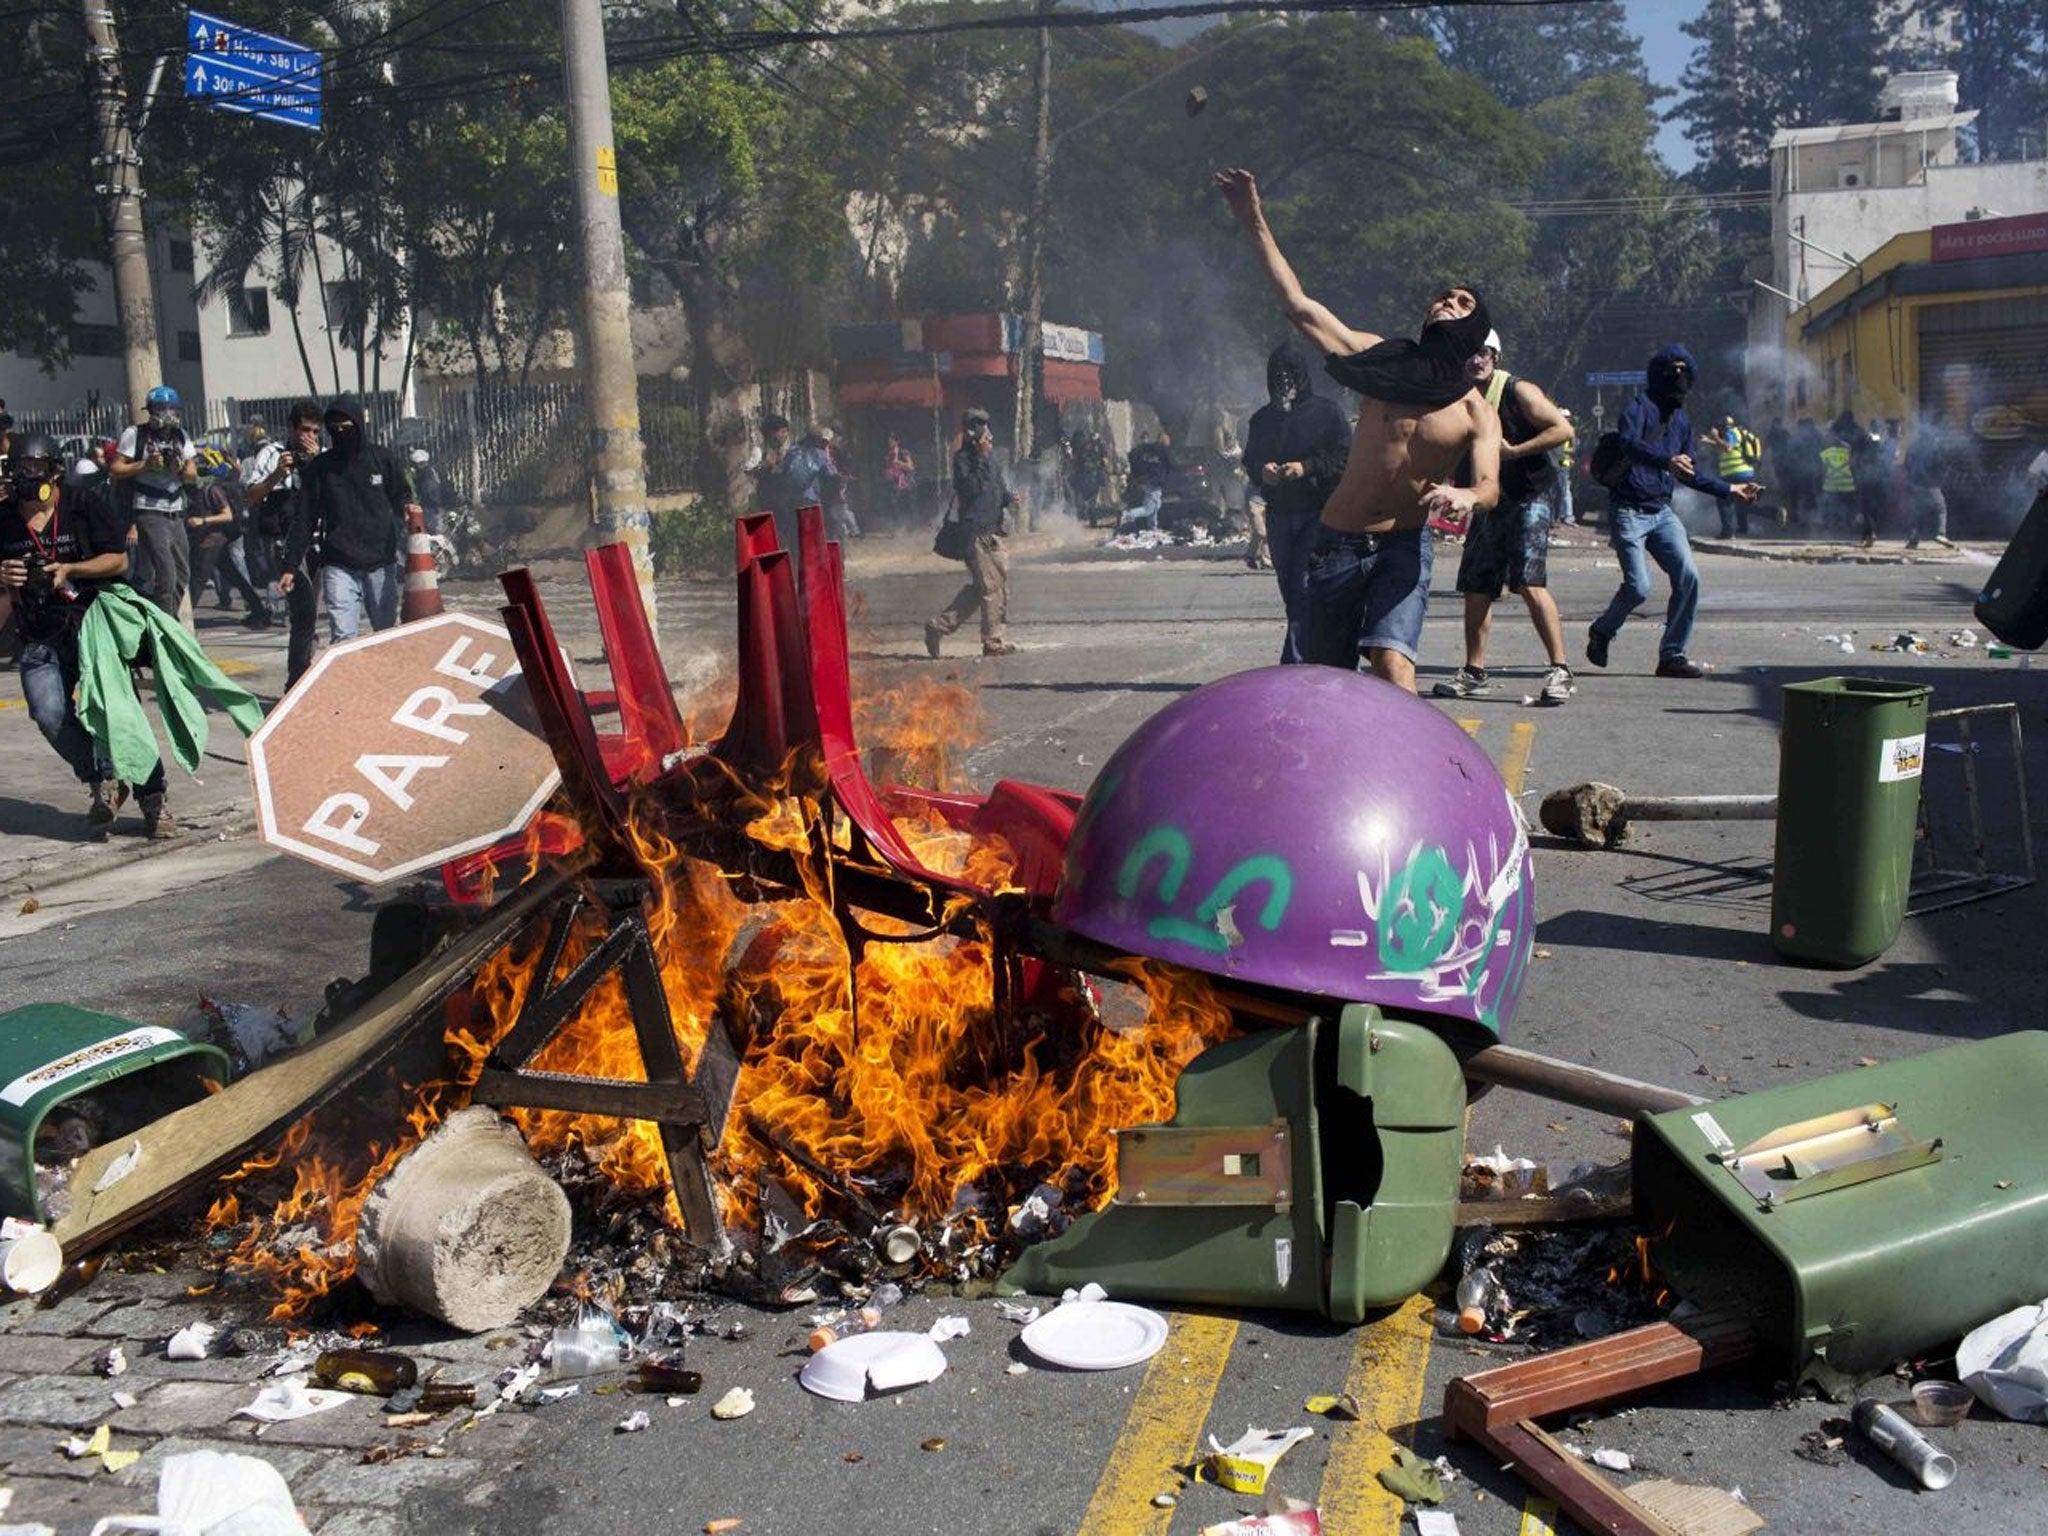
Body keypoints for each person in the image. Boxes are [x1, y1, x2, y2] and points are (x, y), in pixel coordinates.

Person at [1216, 166, 1497, 692]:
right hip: (1339, 541)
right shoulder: (1381, 359)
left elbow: (1490, 486)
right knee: (1327, 683)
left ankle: (1416, 774)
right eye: (1443, 296)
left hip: (1404, 545)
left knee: (1393, 667)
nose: (1446, 303)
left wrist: (1466, 496)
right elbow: (1299, 307)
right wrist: (1251, 216)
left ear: (1476, 330)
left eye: (1462, 303)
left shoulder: (1476, 410)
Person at [0, 432, 171, 836]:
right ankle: (103, 776)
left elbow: (116, 559)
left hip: (92, 623)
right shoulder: (4, 516)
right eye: (19, 470)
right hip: (39, 632)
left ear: (55, 472)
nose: (26, 478)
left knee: (117, 711)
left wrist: (70, 569)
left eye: (35, 470)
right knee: (49, 714)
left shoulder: (82, 503)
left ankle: (153, 796)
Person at [1585, 345, 1758, 679]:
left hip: (1661, 513)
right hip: (1629, 510)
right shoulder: (1639, 407)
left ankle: (1672, 655)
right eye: (1671, 370)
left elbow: (1688, 471)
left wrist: (1731, 489)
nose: (1678, 377)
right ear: (1657, 374)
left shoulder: (1681, 421)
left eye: (1684, 370)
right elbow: (1627, 443)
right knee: (1638, 587)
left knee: (1688, 578)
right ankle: (1602, 631)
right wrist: (1665, 460)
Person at [1435, 332, 1576, 706]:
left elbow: (1563, 430)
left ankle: (1560, 670)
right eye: (1469, 353)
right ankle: (1474, 671)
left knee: (1528, 580)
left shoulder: (1518, 391)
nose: (1475, 360)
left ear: (1495, 356)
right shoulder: (1455, 395)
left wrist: (1515, 451)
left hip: (1530, 493)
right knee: (1478, 585)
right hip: (1486, 498)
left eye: (1482, 353)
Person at [1242, 342, 1349, 663]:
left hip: (1317, 512)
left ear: (1301, 377)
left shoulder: (1326, 413)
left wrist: (1306, 467)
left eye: (1289, 376)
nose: (1283, 383)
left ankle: (1296, 662)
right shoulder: (1262, 420)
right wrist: (1264, 471)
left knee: (1304, 586)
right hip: (1279, 514)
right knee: (1290, 588)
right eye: (1277, 377)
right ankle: (1314, 652)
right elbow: (1251, 460)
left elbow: (1343, 456)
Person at [281, 397, 420, 645]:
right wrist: (291, 565)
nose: (341, 433)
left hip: (381, 561)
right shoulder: (321, 468)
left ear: (358, 425)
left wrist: (407, 507)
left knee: (385, 633)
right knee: (343, 637)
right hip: (339, 564)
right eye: (335, 428)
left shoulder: (382, 459)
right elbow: (305, 518)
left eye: (346, 427)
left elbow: (401, 493)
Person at [925, 408, 1018, 658]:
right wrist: (980, 456)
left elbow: (997, 488)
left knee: (992, 586)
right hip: (974, 532)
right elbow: (972, 489)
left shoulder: (991, 459)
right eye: (978, 425)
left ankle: (938, 627)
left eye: (985, 424)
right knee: (990, 587)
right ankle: (992, 642)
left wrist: (1010, 498)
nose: (985, 430)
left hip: (994, 530)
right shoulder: (963, 460)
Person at [245, 402, 323, 688]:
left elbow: (331, 495)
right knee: (303, 610)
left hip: (315, 542)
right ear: (292, 428)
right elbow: (251, 496)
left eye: (315, 431)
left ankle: (303, 672)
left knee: (309, 615)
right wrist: (277, 474)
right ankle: (296, 681)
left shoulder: (322, 457)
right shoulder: (272, 453)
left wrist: (316, 465)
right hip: (283, 542)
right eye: (304, 430)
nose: (309, 436)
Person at [108, 385, 198, 619]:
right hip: (149, 510)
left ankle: (166, 616)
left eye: (171, 408)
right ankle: (166, 624)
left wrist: (178, 467)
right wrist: (145, 465)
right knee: (165, 572)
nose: (167, 414)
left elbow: (192, 474)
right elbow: (115, 468)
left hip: (176, 511)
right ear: (150, 411)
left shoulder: (181, 436)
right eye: (161, 408)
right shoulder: (135, 434)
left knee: (182, 572)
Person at [186, 449, 272, 628]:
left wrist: (202, 520)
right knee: (234, 576)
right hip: (213, 541)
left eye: (193, 464)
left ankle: (181, 619)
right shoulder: (205, 486)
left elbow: (228, 515)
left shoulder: (211, 489)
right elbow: (237, 471)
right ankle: (259, 610)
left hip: (211, 542)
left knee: (197, 581)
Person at [1706, 413, 1760, 537]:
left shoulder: (1730, 433)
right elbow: (1728, 447)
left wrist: (1715, 437)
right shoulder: (1738, 432)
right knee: (1743, 502)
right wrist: (1709, 441)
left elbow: (1728, 448)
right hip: (1746, 472)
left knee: (1723, 500)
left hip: (1734, 473)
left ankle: (1727, 532)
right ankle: (1773, 513)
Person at [1903, 423, 1956, 550]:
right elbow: (1941, 464)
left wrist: (1911, 480)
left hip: (1916, 484)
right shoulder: (1934, 447)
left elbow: (1906, 464)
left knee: (1917, 513)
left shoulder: (1913, 447)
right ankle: (1941, 534)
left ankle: (1913, 539)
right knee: (1940, 509)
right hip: (1931, 484)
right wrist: (1940, 479)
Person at [1820, 414, 1867, 543]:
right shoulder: (1848, 448)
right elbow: (1853, 465)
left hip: (1831, 485)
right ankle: (1848, 527)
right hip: (1847, 484)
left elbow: (1823, 469)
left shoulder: (1826, 450)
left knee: (1832, 508)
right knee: (1849, 509)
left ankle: (1833, 529)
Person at [1124, 435, 1172, 532]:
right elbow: (1170, 465)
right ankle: (1127, 515)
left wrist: (1137, 473)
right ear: (1165, 441)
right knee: (1148, 509)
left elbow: (1132, 454)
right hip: (1155, 482)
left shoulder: (1148, 449)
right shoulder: (1163, 450)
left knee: (1155, 505)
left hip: (1148, 480)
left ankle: (1152, 527)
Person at [1785, 417, 1824, 528]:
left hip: (1801, 470)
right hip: (1815, 469)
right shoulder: (1817, 435)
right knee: (1813, 494)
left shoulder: (1796, 437)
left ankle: (1801, 518)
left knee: (1799, 494)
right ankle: (1813, 519)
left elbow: (1790, 452)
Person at [883, 434, 917, 525]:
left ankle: (912, 524)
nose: (889, 442)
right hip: (896, 481)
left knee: (908, 503)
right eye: (889, 441)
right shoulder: (890, 453)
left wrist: (899, 463)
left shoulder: (903, 452)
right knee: (893, 501)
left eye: (891, 440)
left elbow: (910, 467)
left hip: (907, 480)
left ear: (897, 442)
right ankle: (899, 525)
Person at [1553, 410, 1577, 525]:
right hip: (1555, 464)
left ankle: (1566, 515)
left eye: (1567, 417)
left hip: (1564, 464)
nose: (1566, 419)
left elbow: (1574, 448)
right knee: (1557, 491)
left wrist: (1565, 452)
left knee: (1564, 490)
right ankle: (1558, 515)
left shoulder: (1569, 431)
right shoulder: (1554, 429)